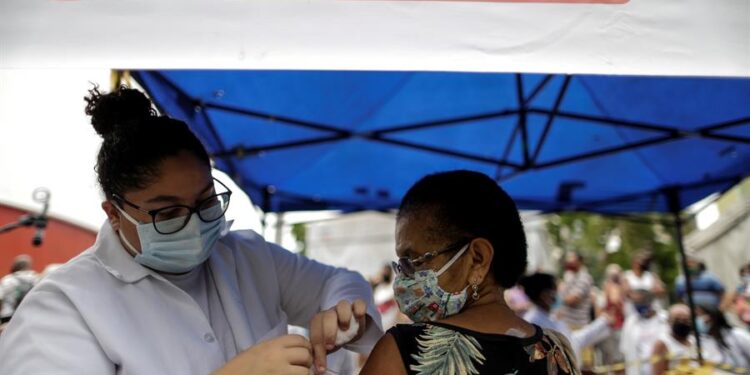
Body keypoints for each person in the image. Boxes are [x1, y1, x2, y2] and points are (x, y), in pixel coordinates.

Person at [0, 87, 382, 375]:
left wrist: (345, 316)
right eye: (167, 213)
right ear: (114, 214)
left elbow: (339, 281)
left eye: (205, 202)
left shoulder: (246, 256)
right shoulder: (64, 305)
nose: (195, 223)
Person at [361, 171, 579, 375]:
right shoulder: (556, 350)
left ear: (478, 259)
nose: (403, 278)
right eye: (401, 264)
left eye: (414, 261)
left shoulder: (403, 350)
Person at [519, 273, 611, 365]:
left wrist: (602, 323)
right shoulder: (534, 322)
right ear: (545, 295)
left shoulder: (550, 317)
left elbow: (570, 342)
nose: (560, 295)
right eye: (556, 291)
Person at [619, 289, 669, 375]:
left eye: (641, 302)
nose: (638, 305)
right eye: (635, 303)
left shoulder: (665, 319)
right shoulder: (630, 323)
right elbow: (625, 350)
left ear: (651, 301)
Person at [696, 304, 750, 368]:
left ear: (713, 316)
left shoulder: (737, 335)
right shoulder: (700, 341)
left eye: (700, 315)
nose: (698, 319)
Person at [651, 304, 698, 375]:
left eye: (686, 320)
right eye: (678, 320)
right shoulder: (662, 344)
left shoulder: (694, 340)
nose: (682, 323)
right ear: (669, 321)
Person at [598, 264, 626, 372]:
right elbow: (614, 301)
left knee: (615, 360)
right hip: (614, 328)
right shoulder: (611, 287)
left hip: (615, 327)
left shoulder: (610, 287)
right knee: (615, 360)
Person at [557, 252, 594, 331]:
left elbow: (573, 300)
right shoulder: (570, 276)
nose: (568, 261)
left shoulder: (584, 278)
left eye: (571, 259)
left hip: (577, 326)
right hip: (566, 323)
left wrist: (557, 294)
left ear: (579, 262)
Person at [0, 255, 40, 323]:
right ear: (28, 266)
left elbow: (1, 298)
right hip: (30, 315)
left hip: (8, 315)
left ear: (15, 265)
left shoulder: (7, 280)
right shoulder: (36, 279)